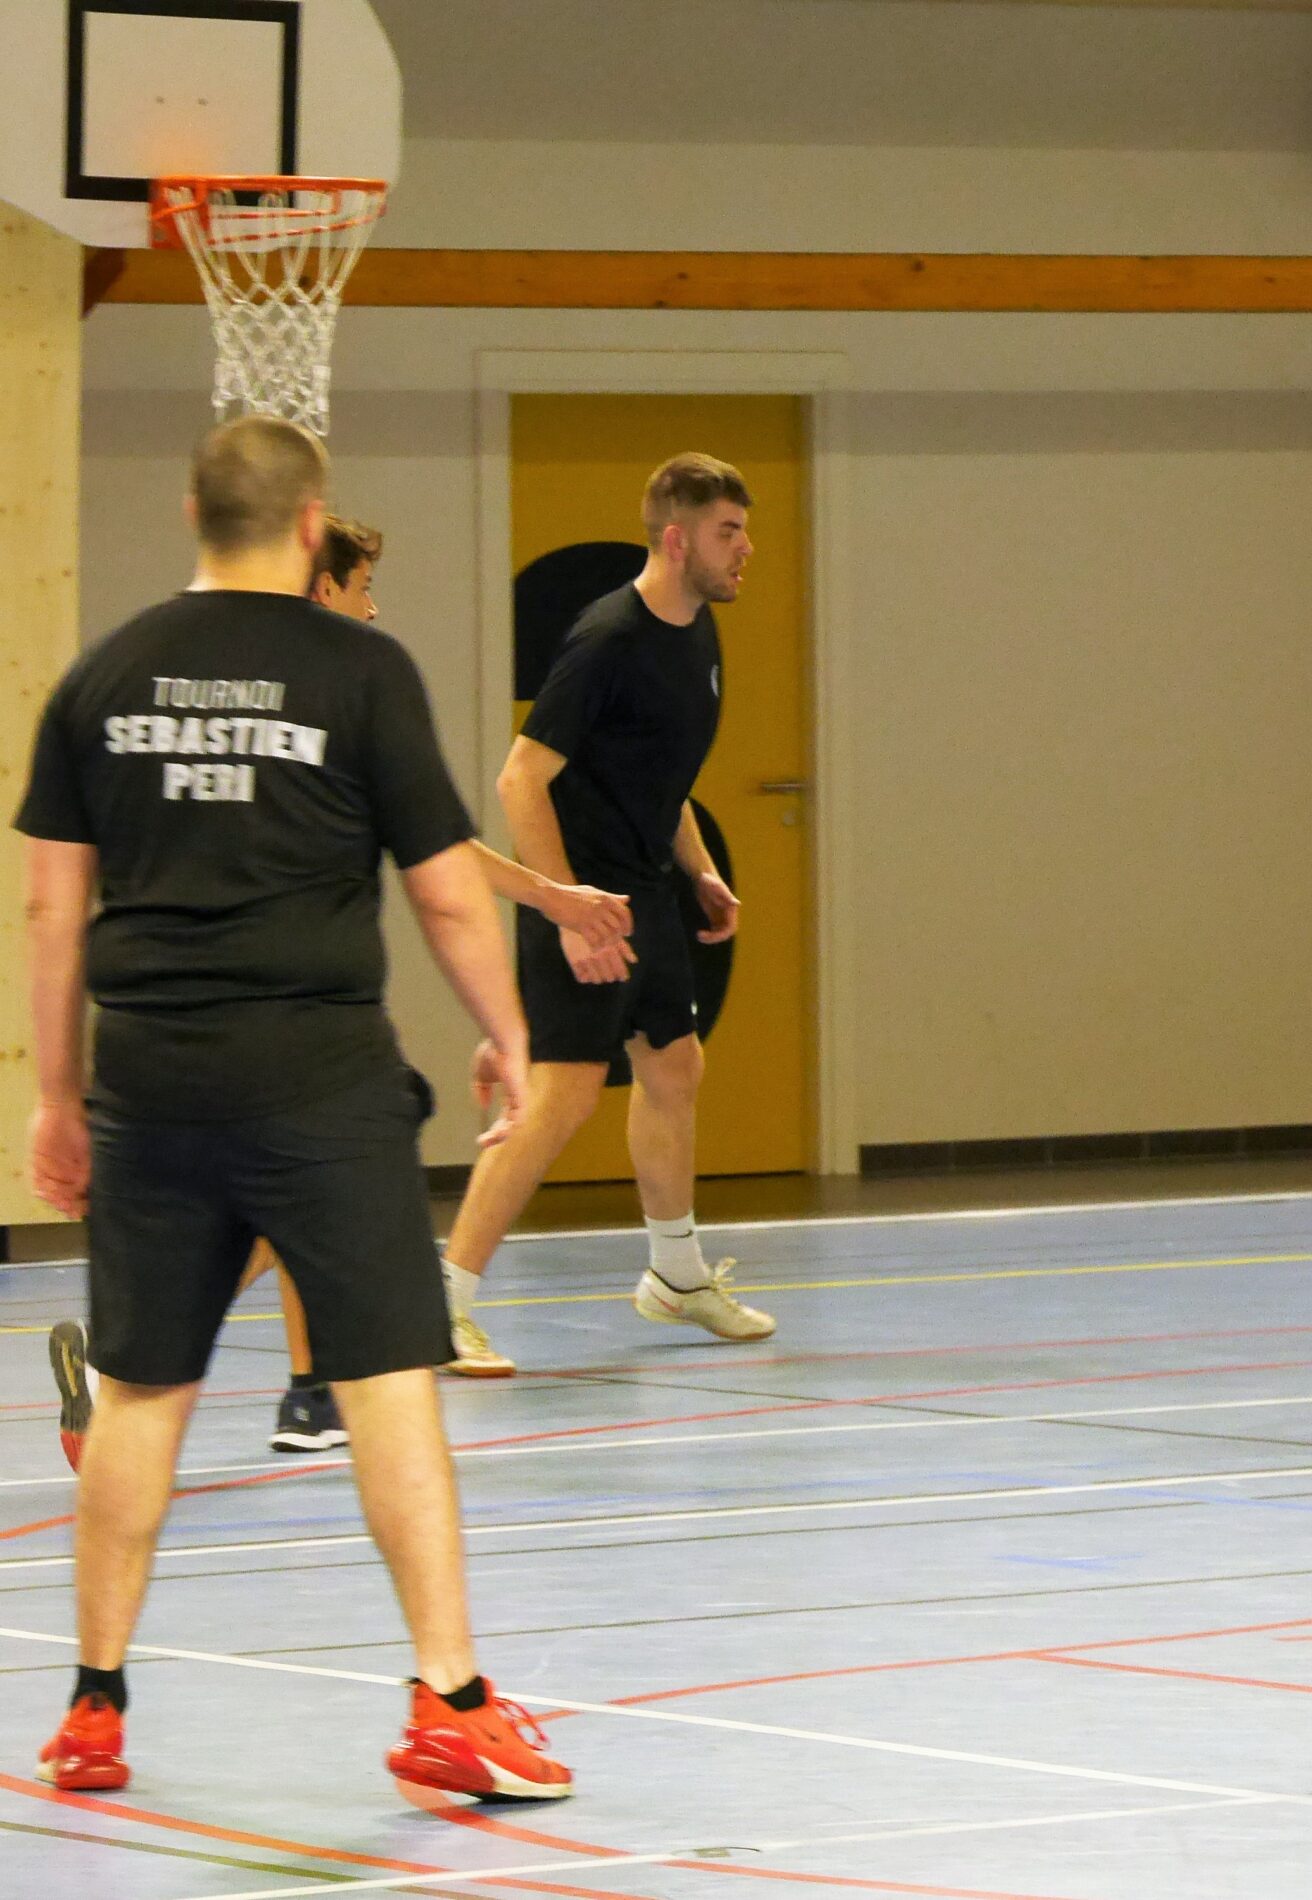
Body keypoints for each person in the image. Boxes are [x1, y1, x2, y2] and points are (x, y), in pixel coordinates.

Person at [18, 416, 572, 1798]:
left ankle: (93, 1709)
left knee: (143, 1392)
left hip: (149, 1078)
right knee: (388, 1378)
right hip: (318, 1079)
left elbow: (49, 908)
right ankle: (450, 1699)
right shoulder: (363, 671)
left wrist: (54, 1097)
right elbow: (445, 889)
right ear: (313, 522)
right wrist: (508, 1034)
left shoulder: (98, 677)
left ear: (191, 515)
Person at [238, 519, 634, 1451]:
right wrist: (548, 912)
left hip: (215, 993)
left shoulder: (231, 676)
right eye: (364, 584)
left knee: (293, 1186)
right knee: (323, 1180)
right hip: (308, 991)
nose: (374, 606)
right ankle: (121, 1360)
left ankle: (309, 1393)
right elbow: (443, 860)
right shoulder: (352, 688)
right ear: (323, 586)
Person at [436, 454, 771, 1378]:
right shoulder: (608, 638)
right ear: (677, 538)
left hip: (649, 898)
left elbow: (662, 782)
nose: (745, 550)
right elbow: (521, 778)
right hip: (586, 903)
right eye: (728, 533)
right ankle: (446, 1302)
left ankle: (675, 1275)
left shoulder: (697, 632)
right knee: (561, 1098)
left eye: (744, 530)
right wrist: (567, 910)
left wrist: (699, 871)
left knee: (675, 1066)